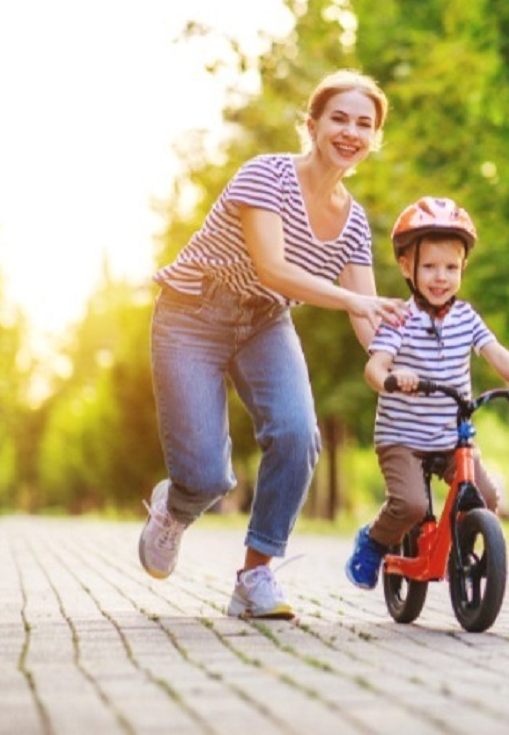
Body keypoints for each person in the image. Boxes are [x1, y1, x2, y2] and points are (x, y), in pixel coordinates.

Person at [140, 69, 406, 620]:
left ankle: (254, 575)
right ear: (312, 124)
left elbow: (368, 317)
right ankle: (176, 507)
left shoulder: (354, 222)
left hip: (264, 322)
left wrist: (398, 363)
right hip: (192, 314)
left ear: (374, 138)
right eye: (338, 118)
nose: (350, 132)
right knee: (207, 476)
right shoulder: (267, 175)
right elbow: (274, 269)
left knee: (298, 435)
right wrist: (353, 301)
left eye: (364, 124)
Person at [345, 196, 509, 590]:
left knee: (486, 497)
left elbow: (496, 352)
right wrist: (392, 375)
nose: (441, 277)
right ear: (407, 267)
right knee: (411, 504)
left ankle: (459, 553)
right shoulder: (399, 318)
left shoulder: (466, 317)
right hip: (402, 438)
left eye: (451, 268)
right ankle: (374, 540)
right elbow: (373, 367)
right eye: (430, 267)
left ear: (463, 268)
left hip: (450, 436)